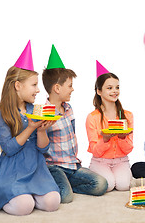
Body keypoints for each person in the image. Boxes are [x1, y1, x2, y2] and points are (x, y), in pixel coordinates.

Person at [0, 55, 60, 216]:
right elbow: (9, 149)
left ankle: (30, 193)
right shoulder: (1, 114)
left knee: (53, 202)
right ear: (18, 85)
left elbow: (43, 149)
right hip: (13, 170)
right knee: (24, 206)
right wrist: (30, 128)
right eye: (34, 85)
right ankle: (17, 195)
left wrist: (41, 130)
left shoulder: (35, 111)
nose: (38, 90)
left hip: (36, 168)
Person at [42, 45, 108, 203]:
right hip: (54, 167)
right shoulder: (44, 113)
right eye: (70, 86)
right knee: (65, 198)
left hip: (72, 165)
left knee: (101, 185)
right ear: (57, 88)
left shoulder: (68, 109)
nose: (72, 89)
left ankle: (70, 184)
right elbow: (40, 146)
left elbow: (72, 134)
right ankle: (61, 186)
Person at [86, 72, 134, 191]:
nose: (115, 91)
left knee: (123, 186)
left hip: (121, 160)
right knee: (108, 185)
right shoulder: (92, 117)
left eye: (117, 87)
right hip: (100, 161)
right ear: (99, 91)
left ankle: (128, 177)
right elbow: (95, 151)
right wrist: (105, 139)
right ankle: (90, 172)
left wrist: (122, 138)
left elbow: (128, 149)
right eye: (109, 88)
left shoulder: (127, 116)